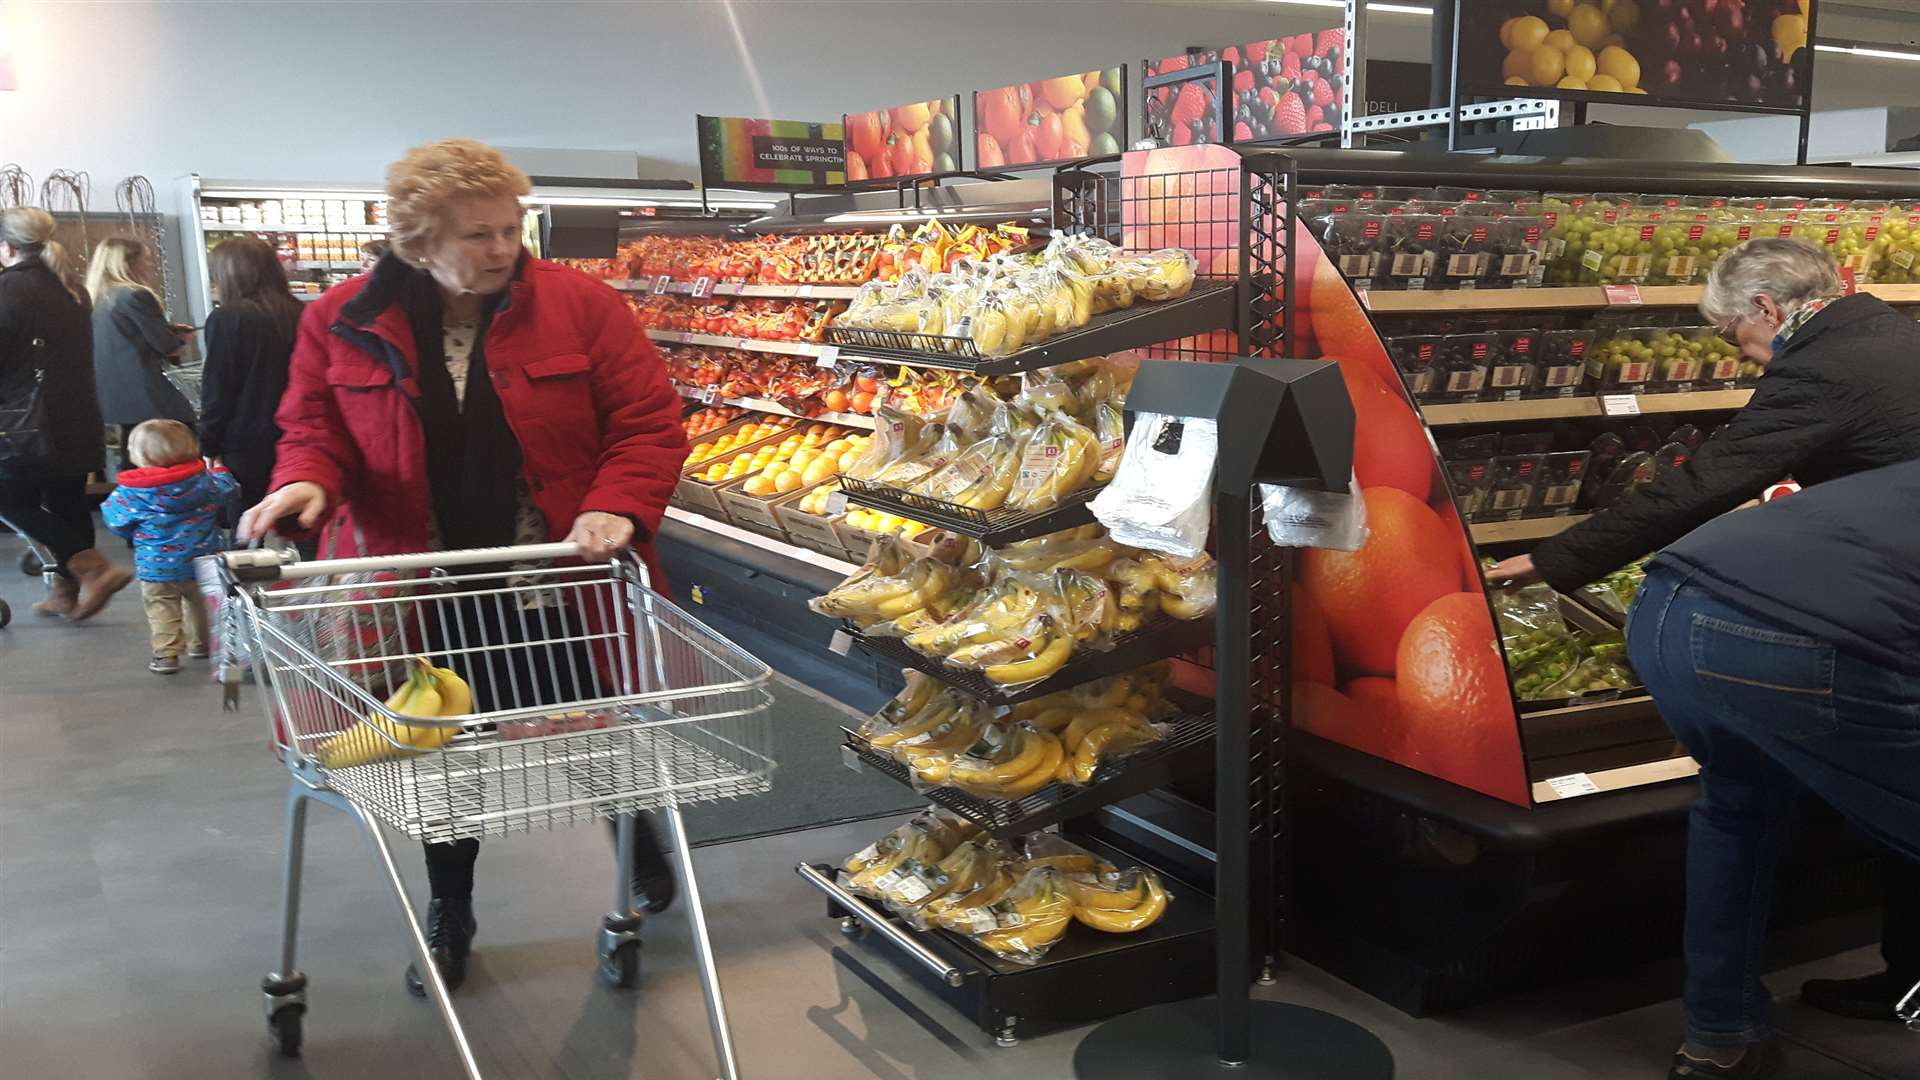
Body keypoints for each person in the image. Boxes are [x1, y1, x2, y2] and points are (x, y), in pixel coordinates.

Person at [236, 138, 690, 998]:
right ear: (416, 240)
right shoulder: (337, 319)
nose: (502, 248)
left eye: (511, 228)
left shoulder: (581, 305)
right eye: (477, 234)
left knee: (594, 720)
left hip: (555, 570)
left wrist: (616, 502)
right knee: (440, 757)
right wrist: (304, 481)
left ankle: (637, 836)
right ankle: (452, 906)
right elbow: (312, 428)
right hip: (419, 585)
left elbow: (647, 421)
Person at [1487, 237, 1920, 1079]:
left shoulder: (1834, 362)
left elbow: (1708, 480)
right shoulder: (1891, 342)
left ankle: (1723, 1036)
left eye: (1729, 335)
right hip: (1809, 628)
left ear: (1766, 310)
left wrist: (1561, 556)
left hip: (1697, 609)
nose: (1736, 354)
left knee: (1738, 811)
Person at [0, 207, 133, 620]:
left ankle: (91, 565)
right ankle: (65, 590)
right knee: (66, 501)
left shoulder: (8, 289)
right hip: (76, 416)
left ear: (7, 247)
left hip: (25, 423)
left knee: (9, 499)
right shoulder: (70, 286)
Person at [98, 420, 236, 675]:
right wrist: (220, 471)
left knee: (161, 606)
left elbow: (115, 519)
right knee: (199, 603)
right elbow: (228, 490)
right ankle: (201, 645)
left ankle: (166, 655)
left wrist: (137, 535)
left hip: (156, 565)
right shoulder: (203, 483)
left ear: (138, 455)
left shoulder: (131, 491)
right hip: (202, 560)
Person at [198, 236, 303, 509]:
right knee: (300, 523)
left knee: (248, 526)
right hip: (299, 436)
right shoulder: (302, 313)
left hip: (246, 441)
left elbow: (218, 387)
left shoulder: (227, 318)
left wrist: (208, 443)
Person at [87, 236, 196, 469]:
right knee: (173, 464)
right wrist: (179, 340)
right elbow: (166, 345)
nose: (151, 265)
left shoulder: (95, 298)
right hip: (148, 398)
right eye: (146, 260)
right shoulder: (135, 295)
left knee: (129, 467)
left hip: (111, 399)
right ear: (128, 263)